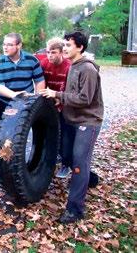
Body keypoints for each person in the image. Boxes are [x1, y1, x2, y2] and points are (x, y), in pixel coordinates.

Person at [39, 31, 104, 224]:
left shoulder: (88, 70)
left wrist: (57, 95)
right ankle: (88, 178)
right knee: (66, 156)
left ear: (80, 47)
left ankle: (75, 209)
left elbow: (85, 99)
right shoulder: (73, 66)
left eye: (68, 45)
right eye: (64, 45)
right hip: (71, 119)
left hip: (88, 121)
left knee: (78, 163)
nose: (65, 48)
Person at [0, 33, 45, 182]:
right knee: (0, 134)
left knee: (19, 134)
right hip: (3, 101)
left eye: (9, 44)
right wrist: (14, 95)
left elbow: (39, 81)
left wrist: (38, 99)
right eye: (4, 44)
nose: (5, 47)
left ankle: (23, 166)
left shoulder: (32, 60)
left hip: (25, 103)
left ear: (19, 45)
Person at [39, 37, 71, 178]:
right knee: (48, 132)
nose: (50, 56)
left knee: (65, 134)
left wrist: (60, 100)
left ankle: (66, 164)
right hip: (49, 102)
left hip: (64, 102)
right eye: (48, 52)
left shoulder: (68, 66)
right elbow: (40, 83)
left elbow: (69, 88)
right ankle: (49, 159)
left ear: (61, 52)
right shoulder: (44, 63)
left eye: (53, 52)